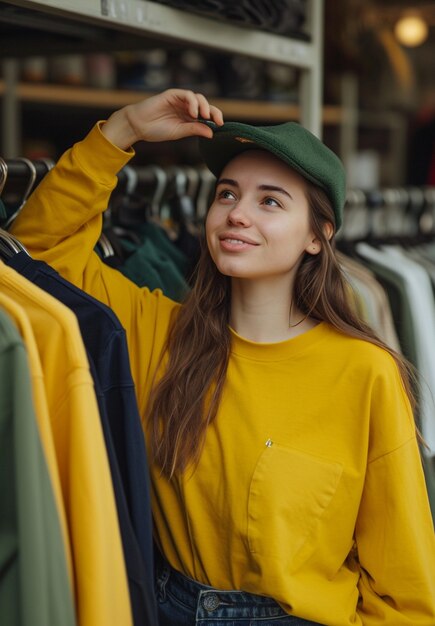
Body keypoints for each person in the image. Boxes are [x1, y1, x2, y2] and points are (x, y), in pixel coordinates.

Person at [9, 89, 435, 625]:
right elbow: (33, 257)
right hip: (160, 608)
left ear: (317, 235)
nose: (237, 214)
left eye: (271, 201)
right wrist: (120, 131)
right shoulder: (155, 329)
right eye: (228, 194)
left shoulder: (364, 372)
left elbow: (405, 594)